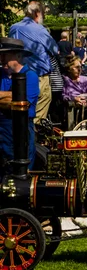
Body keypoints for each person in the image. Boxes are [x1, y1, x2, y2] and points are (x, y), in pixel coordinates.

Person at [8, 1, 59, 124]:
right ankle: (33, 138)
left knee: (19, 110)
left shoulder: (14, 28)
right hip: (39, 76)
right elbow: (55, 50)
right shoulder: (40, 30)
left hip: (18, 76)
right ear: (37, 13)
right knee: (37, 116)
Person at [0, 38, 39, 171]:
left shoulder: (30, 76)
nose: (2, 58)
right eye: (1, 54)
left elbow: (22, 103)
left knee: (19, 171)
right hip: (2, 130)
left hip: (20, 129)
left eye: (6, 54)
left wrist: (12, 99)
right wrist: (11, 96)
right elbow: (15, 98)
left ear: (18, 55)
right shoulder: (1, 74)